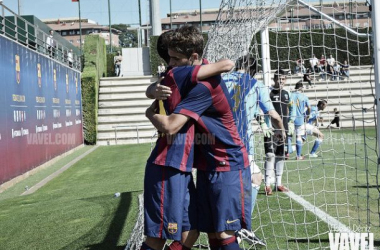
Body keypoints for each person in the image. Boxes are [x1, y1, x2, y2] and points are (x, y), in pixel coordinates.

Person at [146, 26, 252, 250]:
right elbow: (163, 81)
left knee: (223, 232)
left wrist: (149, 113)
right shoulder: (191, 73)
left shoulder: (203, 86)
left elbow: (172, 125)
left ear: (194, 57)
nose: (170, 64)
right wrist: (153, 89)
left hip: (227, 162)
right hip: (206, 163)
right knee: (209, 229)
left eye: (175, 58)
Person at [222, 55, 284, 245]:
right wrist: (281, 130)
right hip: (240, 144)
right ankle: (241, 228)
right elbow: (272, 114)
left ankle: (229, 228)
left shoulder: (222, 80)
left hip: (217, 141)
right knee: (254, 179)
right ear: (253, 70)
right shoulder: (256, 85)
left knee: (235, 182)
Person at [263, 69, 295, 195]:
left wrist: (291, 122)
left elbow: (292, 108)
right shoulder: (268, 92)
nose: (281, 81)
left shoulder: (288, 93)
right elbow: (263, 110)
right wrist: (265, 125)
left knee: (280, 156)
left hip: (284, 130)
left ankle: (279, 183)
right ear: (274, 79)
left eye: (283, 79)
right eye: (278, 79)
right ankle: (267, 185)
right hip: (271, 129)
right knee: (270, 155)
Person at [291, 81, 311, 160]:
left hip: (290, 119)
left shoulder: (290, 95)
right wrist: (308, 116)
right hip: (299, 119)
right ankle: (298, 155)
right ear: (301, 87)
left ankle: (285, 154)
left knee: (288, 137)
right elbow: (309, 107)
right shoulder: (304, 96)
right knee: (299, 136)